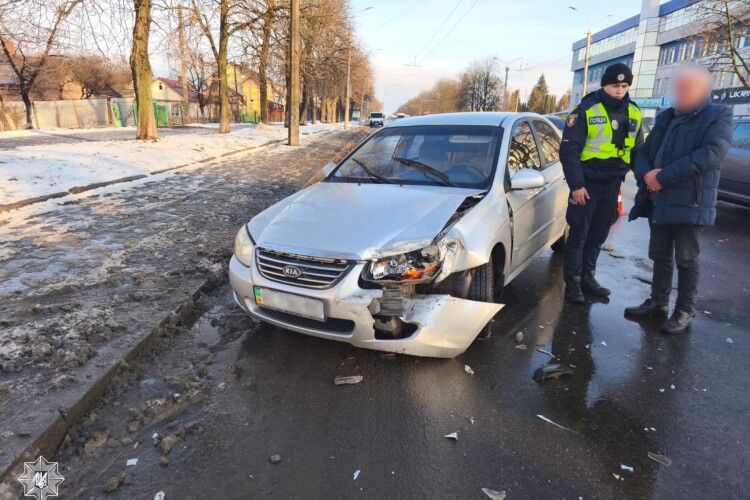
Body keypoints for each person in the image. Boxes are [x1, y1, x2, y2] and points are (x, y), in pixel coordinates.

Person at [625, 65, 733, 334]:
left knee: (686, 258)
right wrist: (646, 174)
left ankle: (684, 310)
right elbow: (643, 151)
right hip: (658, 199)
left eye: (688, 88)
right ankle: (658, 302)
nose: (681, 94)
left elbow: (710, 154)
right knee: (660, 254)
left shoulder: (718, 116)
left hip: (690, 202)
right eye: (679, 88)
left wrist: (663, 177)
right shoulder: (667, 117)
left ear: (704, 90)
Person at [560, 63, 644, 303]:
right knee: (579, 234)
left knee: (599, 233)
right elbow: (569, 151)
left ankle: (588, 276)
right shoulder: (585, 109)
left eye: (624, 85)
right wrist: (576, 185)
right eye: (614, 85)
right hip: (586, 183)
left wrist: (645, 180)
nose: (619, 90)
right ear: (604, 85)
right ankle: (573, 282)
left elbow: (638, 151)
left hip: (612, 183)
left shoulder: (635, 112)